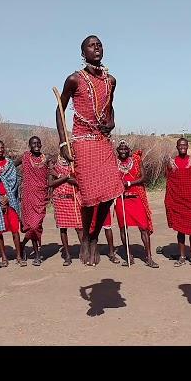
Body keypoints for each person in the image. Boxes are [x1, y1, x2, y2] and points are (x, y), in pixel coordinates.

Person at [56, 35, 124, 266]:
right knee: (88, 195)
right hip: (83, 141)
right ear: (83, 53)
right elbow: (60, 110)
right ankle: (86, 236)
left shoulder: (110, 80)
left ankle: (94, 237)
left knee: (112, 190)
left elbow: (110, 108)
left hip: (102, 139)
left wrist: (111, 123)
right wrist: (64, 143)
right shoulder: (74, 79)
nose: (97, 48)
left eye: (100, 44)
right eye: (92, 45)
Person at [114, 141, 158, 268]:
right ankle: (129, 256)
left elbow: (143, 177)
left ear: (129, 150)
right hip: (121, 199)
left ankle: (149, 257)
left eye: (125, 149)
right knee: (123, 228)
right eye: (120, 149)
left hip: (136, 197)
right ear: (118, 150)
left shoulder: (136, 160)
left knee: (143, 227)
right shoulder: (114, 162)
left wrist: (129, 184)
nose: (123, 151)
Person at [0, 139, 25, 267]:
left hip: (11, 201)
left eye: (2, 147)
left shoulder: (9, 164)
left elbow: (14, 181)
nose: (1, 150)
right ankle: (4, 257)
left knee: (15, 229)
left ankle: (18, 256)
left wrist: (7, 197)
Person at [164, 138, 191, 267]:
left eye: (184, 145)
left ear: (187, 146)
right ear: (177, 147)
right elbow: (169, 182)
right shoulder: (171, 163)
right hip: (177, 201)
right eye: (180, 145)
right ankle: (182, 256)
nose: (182, 147)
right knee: (180, 230)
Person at [19, 136, 52, 266]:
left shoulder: (47, 158)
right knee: (32, 226)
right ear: (29, 145)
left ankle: (22, 245)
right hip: (28, 197)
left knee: (36, 226)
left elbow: (52, 172)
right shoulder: (25, 157)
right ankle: (37, 255)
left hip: (41, 197)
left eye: (38, 143)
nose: (36, 145)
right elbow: (10, 165)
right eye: (33, 143)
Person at [48, 153, 83, 266]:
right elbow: (51, 183)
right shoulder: (53, 161)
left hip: (73, 198)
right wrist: (66, 177)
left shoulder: (74, 161)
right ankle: (67, 255)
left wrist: (62, 177)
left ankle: (84, 252)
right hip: (60, 199)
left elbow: (78, 180)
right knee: (63, 229)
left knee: (79, 227)